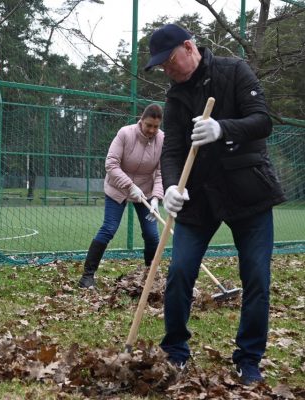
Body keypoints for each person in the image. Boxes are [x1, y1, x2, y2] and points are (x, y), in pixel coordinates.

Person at [144, 24, 286, 384]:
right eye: (160, 66)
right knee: (179, 273)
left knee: (256, 276)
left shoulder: (234, 70)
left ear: (189, 47)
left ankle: (248, 357)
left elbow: (262, 121)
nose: (167, 70)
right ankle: (175, 351)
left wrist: (223, 129)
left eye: (169, 61)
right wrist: (173, 186)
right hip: (199, 198)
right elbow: (173, 149)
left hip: (247, 192)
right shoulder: (174, 99)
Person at [78, 104, 164, 288]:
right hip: (118, 187)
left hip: (146, 192)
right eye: (148, 125)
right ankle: (87, 276)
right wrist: (129, 185)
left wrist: (156, 198)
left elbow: (161, 172)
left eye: (156, 126)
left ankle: (151, 277)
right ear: (141, 120)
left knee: (152, 236)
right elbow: (111, 164)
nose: (152, 130)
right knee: (109, 228)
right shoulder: (125, 134)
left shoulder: (162, 139)